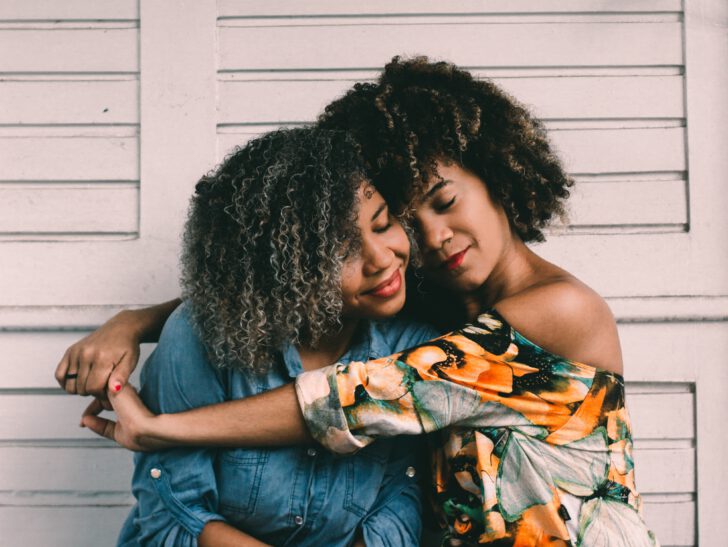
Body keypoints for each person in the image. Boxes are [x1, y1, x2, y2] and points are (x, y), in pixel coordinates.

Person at [60, 57, 658, 546]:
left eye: (445, 202)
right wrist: (135, 321)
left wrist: (163, 430)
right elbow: (279, 287)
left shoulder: (560, 310)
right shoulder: (447, 309)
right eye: (407, 219)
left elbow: (363, 399)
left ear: (497, 173)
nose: (433, 237)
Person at [80, 127, 440, 546]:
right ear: (281, 271)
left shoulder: (415, 348)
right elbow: (175, 516)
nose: (382, 259)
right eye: (341, 252)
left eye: (382, 225)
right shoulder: (200, 339)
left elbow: (399, 501)